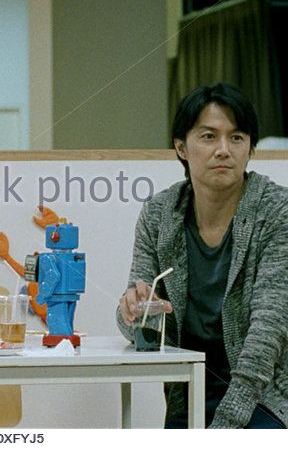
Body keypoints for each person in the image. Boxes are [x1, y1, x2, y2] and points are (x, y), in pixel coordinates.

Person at [116, 83, 288, 429]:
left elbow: (269, 330)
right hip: (189, 397)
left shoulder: (276, 211)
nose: (223, 150)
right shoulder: (159, 215)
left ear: (250, 148)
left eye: (236, 138)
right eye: (209, 137)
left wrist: (224, 426)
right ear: (181, 147)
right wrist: (132, 311)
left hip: (264, 398)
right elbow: (138, 324)